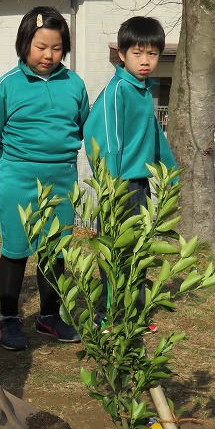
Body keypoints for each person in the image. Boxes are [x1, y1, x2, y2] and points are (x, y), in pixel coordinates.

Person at [0, 6, 89, 351]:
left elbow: (83, 125)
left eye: (56, 48)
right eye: (41, 46)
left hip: (61, 180)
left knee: (55, 249)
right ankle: (9, 318)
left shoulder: (75, 84)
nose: (48, 55)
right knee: (16, 249)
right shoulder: (7, 85)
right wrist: (14, 162)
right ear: (25, 43)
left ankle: (49, 316)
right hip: (18, 179)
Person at [83, 16, 177, 326]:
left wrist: (170, 172)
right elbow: (107, 139)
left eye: (152, 53)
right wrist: (110, 186)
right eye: (138, 53)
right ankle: (108, 314)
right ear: (122, 55)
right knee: (115, 252)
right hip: (118, 185)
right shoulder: (118, 91)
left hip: (140, 183)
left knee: (139, 250)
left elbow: (153, 134)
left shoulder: (144, 90)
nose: (146, 60)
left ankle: (134, 313)